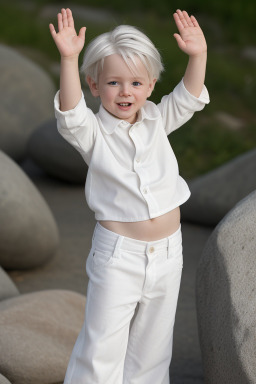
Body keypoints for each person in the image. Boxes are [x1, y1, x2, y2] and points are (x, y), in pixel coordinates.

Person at [49, 8, 209, 384]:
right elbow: (70, 113)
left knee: (153, 351)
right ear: (94, 86)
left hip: (169, 253)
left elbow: (188, 96)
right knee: (101, 348)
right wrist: (70, 59)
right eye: (114, 83)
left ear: (151, 86)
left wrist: (198, 56)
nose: (125, 92)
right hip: (118, 256)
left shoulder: (157, 119)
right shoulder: (93, 133)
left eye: (136, 83)